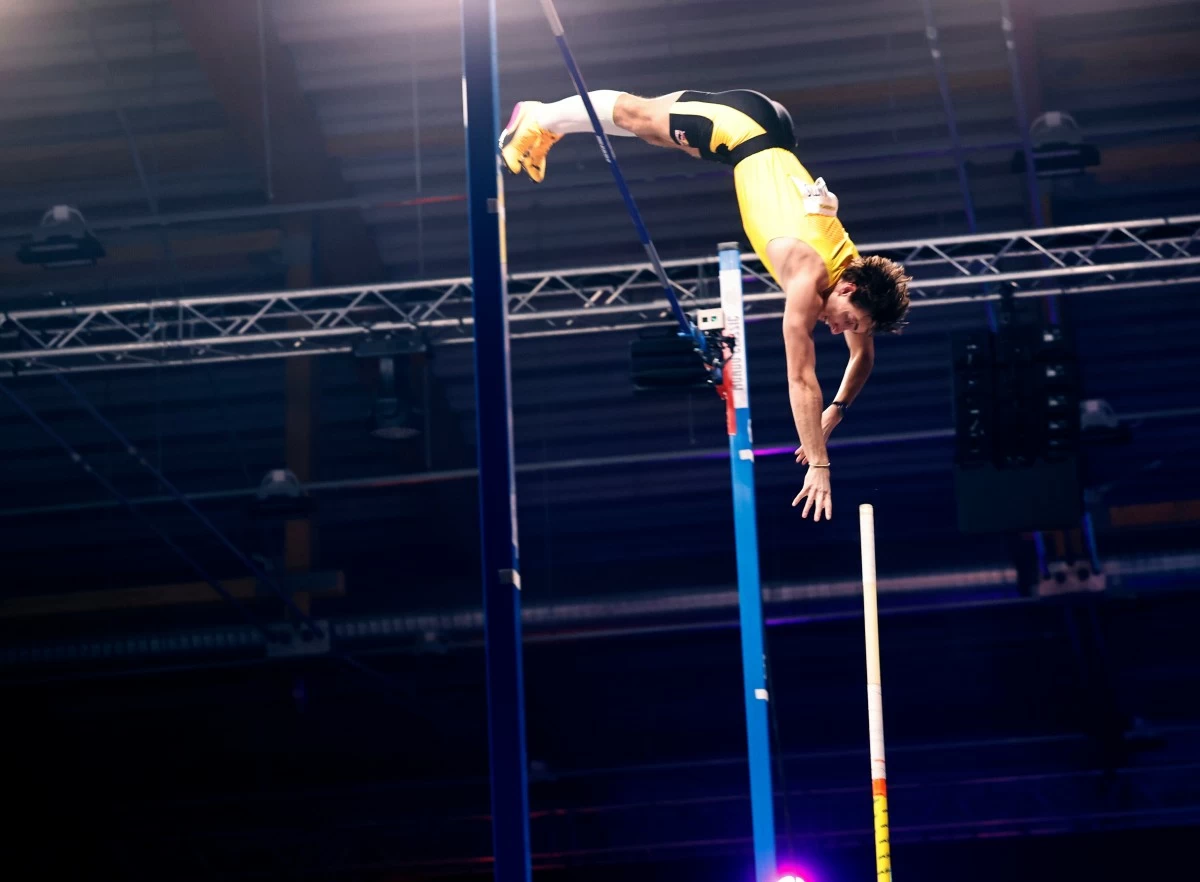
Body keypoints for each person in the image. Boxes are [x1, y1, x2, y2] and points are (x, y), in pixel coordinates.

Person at [500, 89, 911, 522]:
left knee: (655, 135)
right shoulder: (807, 282)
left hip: (760, 137)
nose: (838, 329)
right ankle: (540, 114)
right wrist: (820, 464)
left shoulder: (853, 271)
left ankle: (552, 124)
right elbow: (802, 381)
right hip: (742, 127)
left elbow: (862, 355)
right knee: (640, 118)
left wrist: (838, 409)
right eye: (848, 321)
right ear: (847, 290)